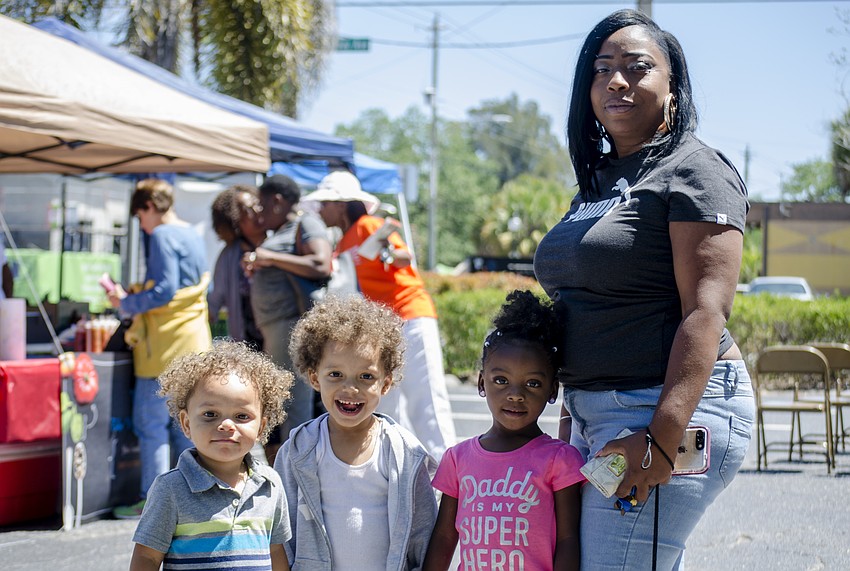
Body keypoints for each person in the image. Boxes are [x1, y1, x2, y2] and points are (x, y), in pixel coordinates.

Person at [533, 10, 755, 569]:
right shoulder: (601, 180)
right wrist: (571, 415)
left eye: (637, 67)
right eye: (602, 68)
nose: (616, 81)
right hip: (597, 413)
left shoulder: (695, 169)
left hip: (664, 409)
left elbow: (706, 312)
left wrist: (661, 438)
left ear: (673, 87)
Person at [423, 290, 584, 571]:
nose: (515, 394)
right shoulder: (457, 459)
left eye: (532, 383)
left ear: (552, 390)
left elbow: (568, 540)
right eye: (501, 380)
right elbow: (445, 537)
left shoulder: (560, 460)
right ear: (481, 383)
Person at [273, 295, 438, 570]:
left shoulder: (404, 453)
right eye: (335, 375)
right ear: (314, 378)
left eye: (366, 377)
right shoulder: (298, 450)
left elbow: (423, 533)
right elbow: (279, 532)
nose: (350, 389)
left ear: (386, 384)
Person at [302, 170, 456, 461]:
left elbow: (404, 257)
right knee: (388, 403)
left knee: (426, 400)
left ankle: (449, 471)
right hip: (383, 329)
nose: (320, 210)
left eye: (325, 203)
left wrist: (386, 252)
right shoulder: (343, 242)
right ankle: (402, 468)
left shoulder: (369, 225)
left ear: (341, 205)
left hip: (410, 315)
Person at [129, 340, 294, 571]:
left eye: (242, 416)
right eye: (210, 414)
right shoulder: (171, 489)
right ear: (186, 423)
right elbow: (147, 557)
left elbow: (275, 550)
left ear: (261, 427)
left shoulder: (270, 484)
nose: (226, 425)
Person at [108, 178, 213, 519]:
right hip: (194, 341)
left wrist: (126, 302)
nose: (142, 224)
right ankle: (194, 500)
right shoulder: (192, 234)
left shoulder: (163, 235)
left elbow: (164, 290)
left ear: (150, 207)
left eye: (140, 216)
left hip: (164, 347)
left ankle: (152, 503)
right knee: (187, 427)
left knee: (151, 425)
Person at [243, 175, 332, 444]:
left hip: (291, 325)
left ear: (278, 201)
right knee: (285, 404)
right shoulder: (284, 229)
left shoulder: (306, 222)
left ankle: (297, 465)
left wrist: (270, 257)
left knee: (292, 406)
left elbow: (321, 264)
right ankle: (291, 464)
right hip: (277, 328)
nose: (259, 213)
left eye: (262, 205)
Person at [208, 185, 266, 349]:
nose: (256, 211)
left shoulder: (278, 242)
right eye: (247, 209)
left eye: (257, 204)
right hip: (248, 341)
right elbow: (215, 300)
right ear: (234, 220)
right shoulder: (228, 257)